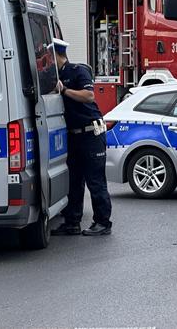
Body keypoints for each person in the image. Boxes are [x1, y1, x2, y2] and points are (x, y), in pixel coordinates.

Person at [51, 38, 113, 236]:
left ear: (56, 55)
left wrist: (65, 90)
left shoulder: (78, 71)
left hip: (91, 134)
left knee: (95, 181)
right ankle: (72, 222)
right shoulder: (55, 76)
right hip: (73, 136)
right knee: (74, 181)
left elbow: (89, 96)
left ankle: (103, 223)